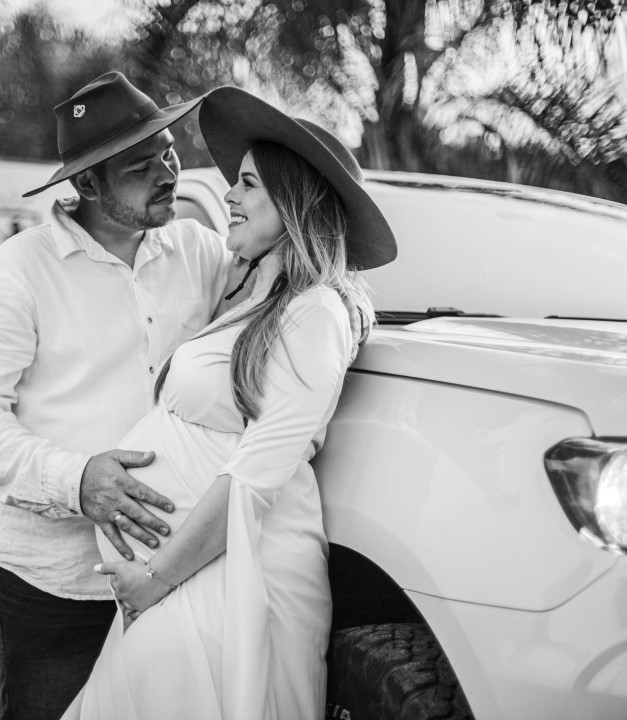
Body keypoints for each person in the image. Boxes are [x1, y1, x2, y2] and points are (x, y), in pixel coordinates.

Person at [61, 86, 398, 720]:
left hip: (235, 580)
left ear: (293, 202)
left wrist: (155, 578)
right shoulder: (254, 303)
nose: (229, 196)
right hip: (193, 578)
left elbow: (255, 476)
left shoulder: (317, 313)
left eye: (247, 184)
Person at [0, 72, 237, 720]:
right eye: (140, 166)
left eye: (167, 152)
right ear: (89, 185)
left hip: (175, 574)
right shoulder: (17, 272)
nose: (168, 172)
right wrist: (78, 483)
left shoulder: (202, 253)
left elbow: (279, 300)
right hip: (52, 589)